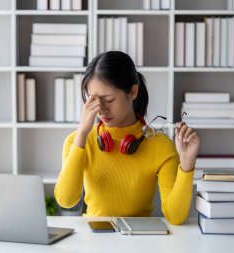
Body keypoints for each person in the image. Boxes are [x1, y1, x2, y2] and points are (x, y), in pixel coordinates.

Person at [54, 51, 200, 225]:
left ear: (133, 92)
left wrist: (187, 163)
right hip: (93, 239)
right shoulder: (76, 141)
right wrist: (82, 134)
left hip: (139, 239)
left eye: (108, 99)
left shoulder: (160, 146)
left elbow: (175, 217)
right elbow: (66, 200)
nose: (101, 109)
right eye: (93, 100)